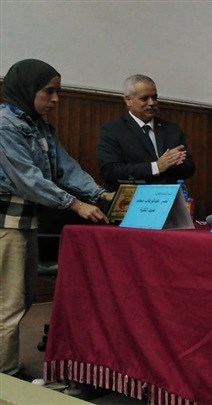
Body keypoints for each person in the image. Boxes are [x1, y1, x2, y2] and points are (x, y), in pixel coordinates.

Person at [0, 59, 114, 381]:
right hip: (6, 226)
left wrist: (101, 194)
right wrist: (76, 204)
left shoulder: (39, 127)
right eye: (48, 91)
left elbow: (66, 168)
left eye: (58, 91)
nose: (55, 99)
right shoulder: (5, 125)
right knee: (7, 304)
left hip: (26, 224)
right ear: (27, 89)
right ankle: (5, 376)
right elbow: (27, 179)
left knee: (21, 300)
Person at [96, 74, 195, 191]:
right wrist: (155, 167)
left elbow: (189, 169)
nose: (152, 103)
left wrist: (175, 162)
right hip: (131, 198)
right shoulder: (112, 130)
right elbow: (109, 170)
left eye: (154, 97)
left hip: (168, 197)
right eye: (144, 98)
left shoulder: (171, 129)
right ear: (128, 100)